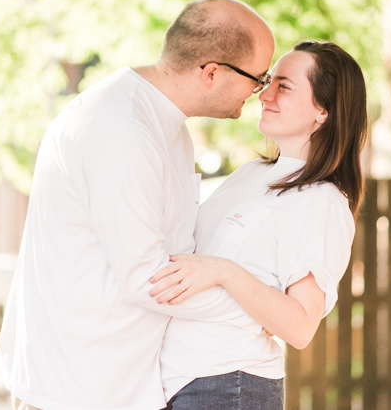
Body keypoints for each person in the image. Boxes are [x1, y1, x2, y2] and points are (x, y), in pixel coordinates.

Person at [0, 0, 275, 410]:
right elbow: (149, 278)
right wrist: (260, 313)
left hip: (116, 382)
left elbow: (178, 252)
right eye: (259, 78)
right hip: (76, 388)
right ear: (212, 72)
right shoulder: (122, 129)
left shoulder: (167, 127)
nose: (260, 91)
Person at [149, 40, 368, 410]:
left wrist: (224, 272)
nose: (264, 94)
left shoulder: (322, 202)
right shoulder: (252, 173)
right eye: (269, 82)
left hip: (228, 385)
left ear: (323, 111)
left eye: (284, 85)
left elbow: (300, 327)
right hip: (175, 380)